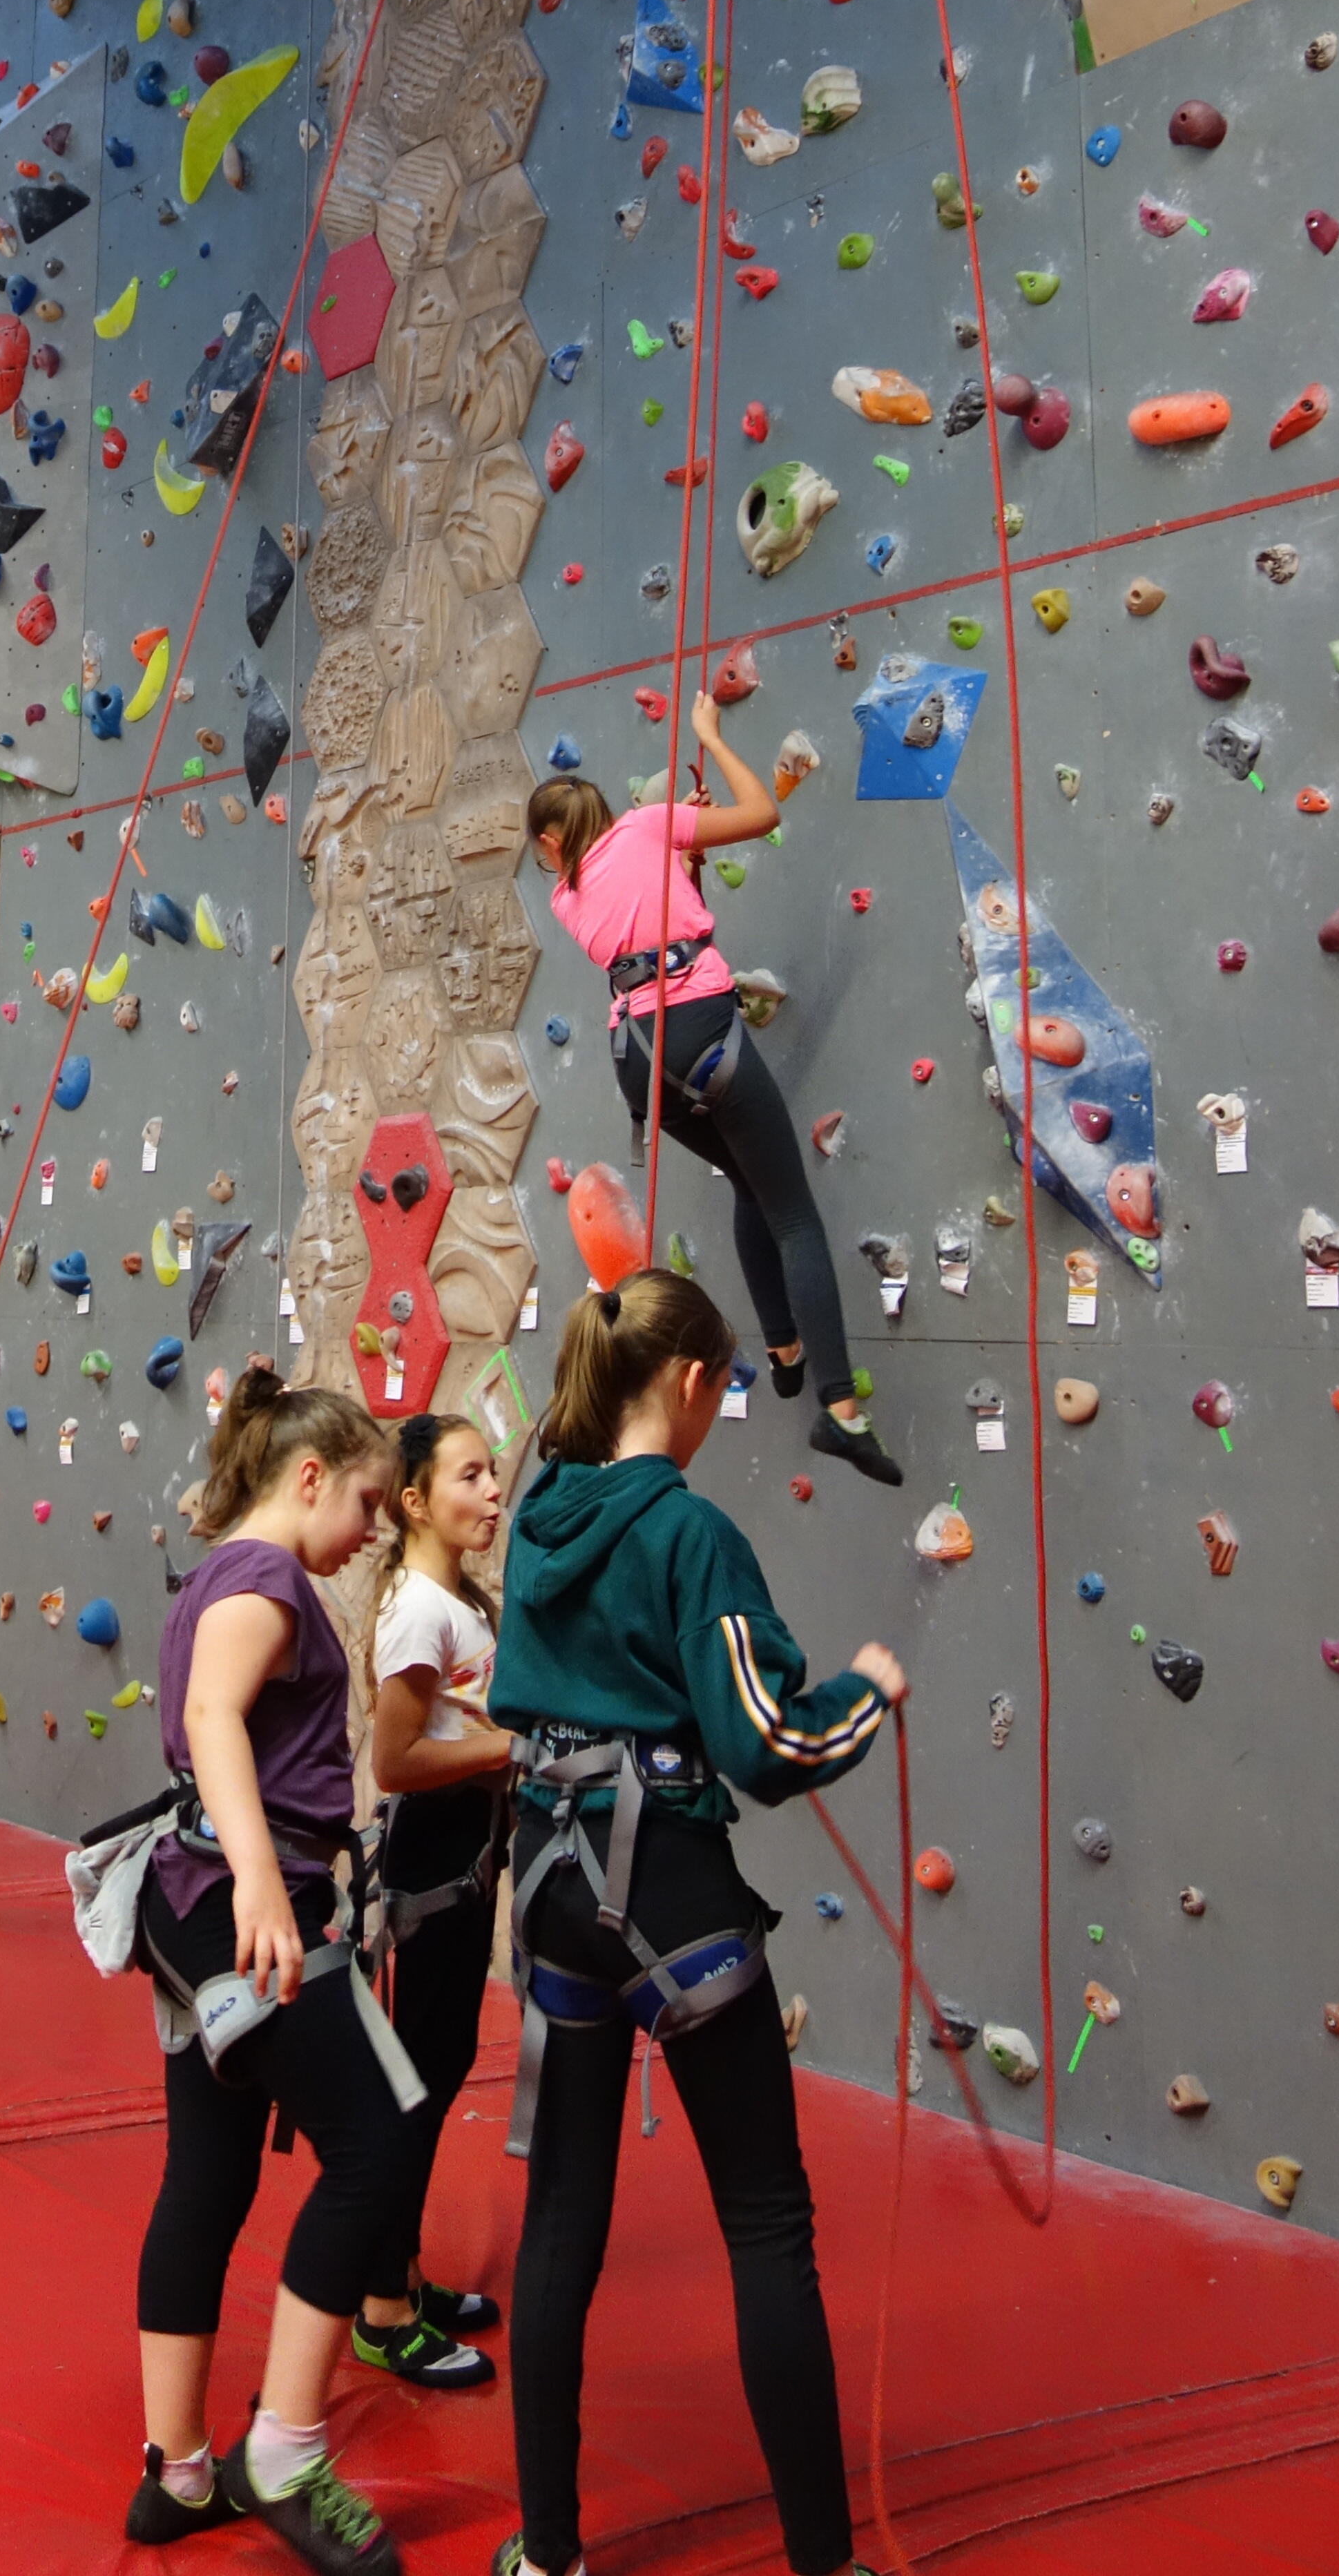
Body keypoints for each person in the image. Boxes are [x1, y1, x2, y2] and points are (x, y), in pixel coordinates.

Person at [485, 1269, 905, 2576]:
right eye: (721, 1388)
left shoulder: (540, 1512)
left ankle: (547, 2553)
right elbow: (762, 1742)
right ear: (684, 1382)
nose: (719, 1412)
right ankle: (822, 2562)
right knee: (766, 2220)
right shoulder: (687, 1531)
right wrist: (863, 1695)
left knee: (561, 2218)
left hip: (551, 1880)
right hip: (666, 1885)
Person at [127, 1365, 417, 2576]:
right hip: (238, 1901)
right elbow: (211, 1717)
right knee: (378, 2143)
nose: (372, 1531)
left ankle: (178, 2471)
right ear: (308, 1477)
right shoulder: (266, 1580)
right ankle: (285, 2452)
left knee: (208, 2172)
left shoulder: (219, 1573)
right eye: (367, 1503)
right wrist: (257, 1876)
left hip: (195, 1899)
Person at [528, 698, 898, 1485]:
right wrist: (709, 738)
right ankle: (840, 1410)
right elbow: (762, 813)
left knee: (745, 1179)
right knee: (792, 1213)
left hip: (638, 1057)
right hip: (700, 1029)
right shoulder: (644, 826)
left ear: (553, 844)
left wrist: (683, 859)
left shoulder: (566, 897)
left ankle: (786, 1349)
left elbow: (652, 914)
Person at [360, 1410, 514, 2394]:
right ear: (415, 1501)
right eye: (470, 1476)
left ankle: (404, 2274)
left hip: (466, 1845)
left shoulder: (455, 1601)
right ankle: (382, 2305)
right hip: (437, 1849)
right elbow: (396, 1760)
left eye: (493, 1473)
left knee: (439, 2062)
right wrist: (515, 1747)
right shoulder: (420, 1610)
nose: (493, 1491)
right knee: (417, 2078)